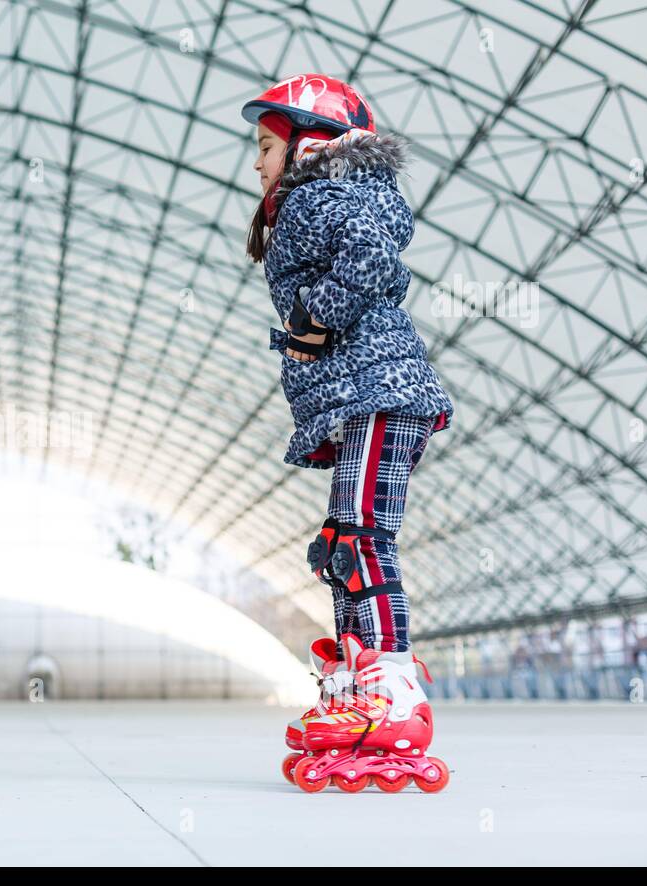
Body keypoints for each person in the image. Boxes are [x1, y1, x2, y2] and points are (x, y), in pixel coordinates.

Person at [249, 75, 456, 793]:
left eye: (267, 145)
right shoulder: (320, 199)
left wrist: (313, 321)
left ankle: (392, 687)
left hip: (380, 392)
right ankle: (355, 681)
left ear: (310, 141)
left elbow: (370, 257)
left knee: (362, 539)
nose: (257, 162)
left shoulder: (324, 194)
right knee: (341, 544)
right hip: (364, 395)